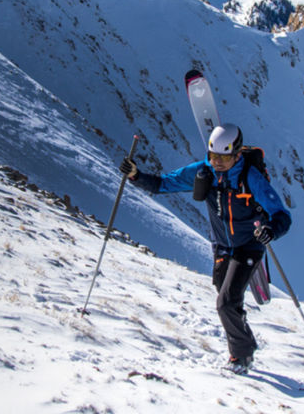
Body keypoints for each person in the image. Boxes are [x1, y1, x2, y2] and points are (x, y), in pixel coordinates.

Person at [120, 123, 292, 374]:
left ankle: (241, 356)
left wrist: (271, 230)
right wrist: (136, 175)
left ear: (237, 155)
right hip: (222, 245)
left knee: (225, 303)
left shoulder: (250, 179)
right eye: (213, 156)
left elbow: (282, 215)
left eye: (223, 157)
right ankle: (247, 341)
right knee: (224, 295)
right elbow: (163, 184)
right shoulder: (204, 171)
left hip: (249, 245)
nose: (217, 162)